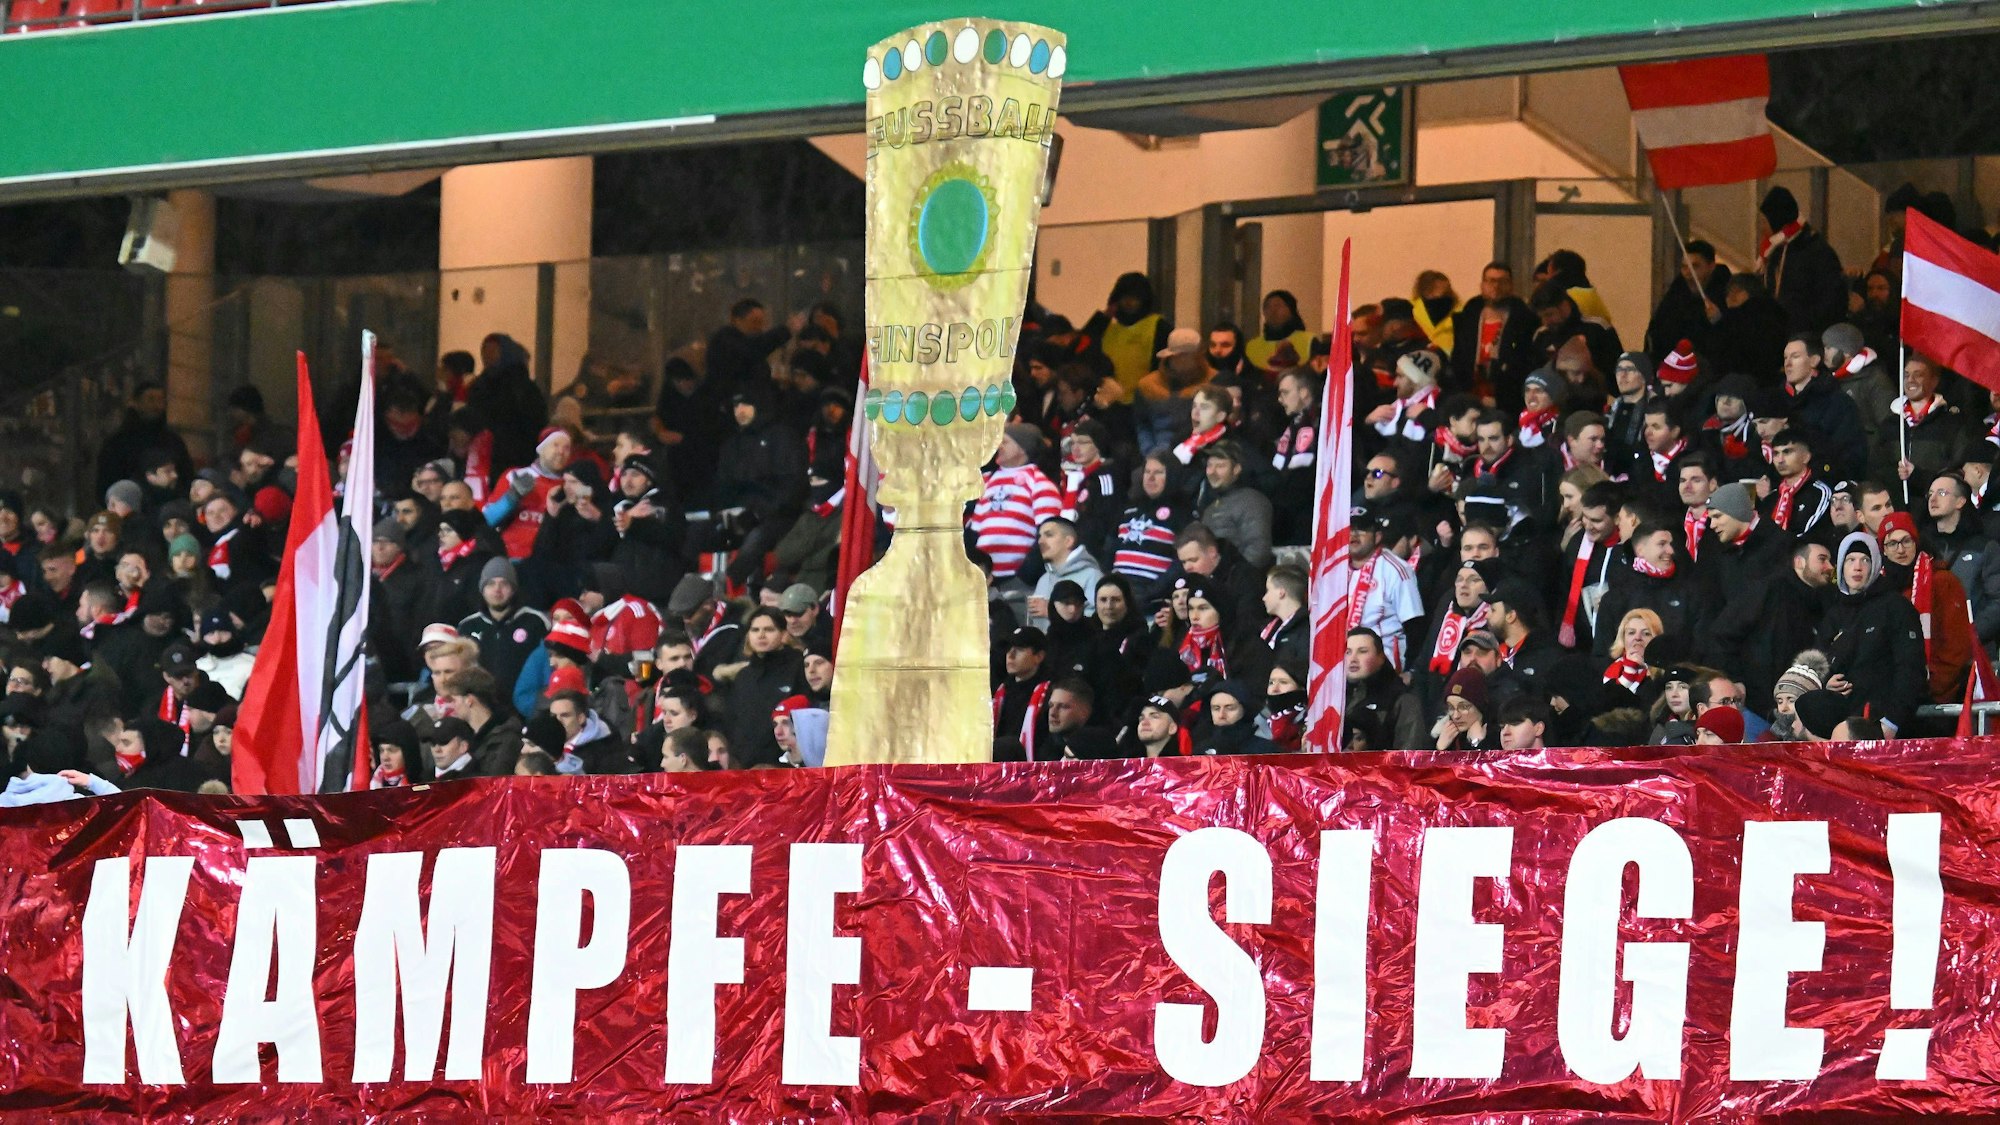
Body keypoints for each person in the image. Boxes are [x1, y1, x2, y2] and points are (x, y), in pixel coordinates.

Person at [1814, 531, 1928, 732]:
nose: (1857, 567)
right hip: (1837, 726)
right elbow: (1817, 662)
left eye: (1865, 560)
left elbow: (1910, 669)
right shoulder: (1833, 614)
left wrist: (1891, 722)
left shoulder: (1896, 607)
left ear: (1876, 564)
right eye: (1850, 560)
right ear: (1840, 566)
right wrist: (1825, 683)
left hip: (1880, 725)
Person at [1876, 511, 1974, 706]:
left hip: (1933, 697)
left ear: (1917, 542)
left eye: (1906, 541)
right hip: (1891, 697)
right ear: (1883, 550)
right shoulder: (1878, 589)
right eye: (1892, 543)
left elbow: (1956, 647)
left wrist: (1929, 690)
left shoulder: (1943, 581)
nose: (1900, 549)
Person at [713, 607, 806, 768]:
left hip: (785, 768)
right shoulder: (743, 676)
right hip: (745, 768)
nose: (761, 635)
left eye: (769, 629)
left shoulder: (799, 667)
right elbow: (732, 722)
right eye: (755, 630)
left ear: (783, 634)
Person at [1874, 353, 1973, 502]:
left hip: (1933, 511)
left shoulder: (1951, 425)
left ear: (1934, 380)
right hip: (1895, 509)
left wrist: (1918, 477)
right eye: (1906, 375)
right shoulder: (1891, 424)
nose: (1910, 380)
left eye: (1918, 375)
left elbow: (1958, 473)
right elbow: (1875, 468)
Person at [971, 425, 1061, 584]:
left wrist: (1026, 573)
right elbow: (975, 530)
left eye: (1005, 442)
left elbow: (1050, 533)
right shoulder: (987, 481)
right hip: (982, 578)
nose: (999, 446)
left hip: (1017, 580)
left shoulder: (1039, 483)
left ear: (1023, 448)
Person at [1757, 186, 1847, 336]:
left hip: (1805, 335)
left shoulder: (1815, 251)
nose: (1761, 228)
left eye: (1764, 222)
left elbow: (1829, 300)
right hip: (1778, 332)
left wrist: (1804, 326)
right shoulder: (1774, 250)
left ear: (1778, 221)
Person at [1450, 261, 1539, 409]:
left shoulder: (1524, 320)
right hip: (1469, 392)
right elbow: (1458, 356)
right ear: (1482, 285)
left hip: (1506, 397)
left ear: (1511, 285)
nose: (1496, 286)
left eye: (1502, 281)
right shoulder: (1468, 316)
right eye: (1491, 281)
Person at [1194, 441, 1273, 570]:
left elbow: (1258, 551)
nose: (1212, 472)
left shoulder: (1251, 501)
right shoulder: (1210, 506)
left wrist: (1233, 579)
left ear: (1236, 469)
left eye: (1220, 466)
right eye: (1209, 466)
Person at [1343, 628, 1425, 751]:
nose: (1353, 658)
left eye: (1363, 651)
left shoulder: (1403, 701)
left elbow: (1410, 757)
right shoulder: (1335, 699)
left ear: (1381, 657)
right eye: (1348, 652)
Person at [1027, 518, 1102, 632]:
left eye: (1049, 535)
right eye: (1040, 536)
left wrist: (1052, 612)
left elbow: (1099, 622)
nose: (1040, 541)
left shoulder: (1092, 576)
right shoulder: (1044, 579)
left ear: (1068, 541)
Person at [1193, 681, 1273, 755]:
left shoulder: (1265, 751)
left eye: (1230, 708)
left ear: (1245, 709)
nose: (1221, 715)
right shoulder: (1201, 749)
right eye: (1216, 708)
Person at [1433, 666, 1496, 751]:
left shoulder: (1498, 736)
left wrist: (1478, 744)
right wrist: (1439, 749)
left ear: (1479, 706)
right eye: (1451, 708)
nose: (1456, 716)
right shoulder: (1440, 735)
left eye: (1464, 707)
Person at [1118, 694, 1192, 758]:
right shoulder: (1125, 766)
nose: (1144, 722)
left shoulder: (1182, 767)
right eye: (1141, 718)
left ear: (1172, 728)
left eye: (1154, 716)